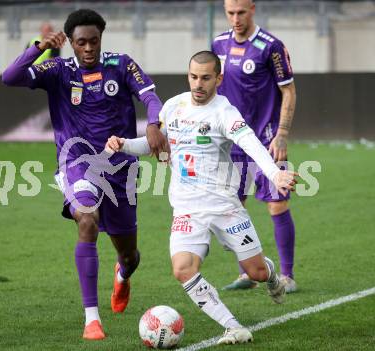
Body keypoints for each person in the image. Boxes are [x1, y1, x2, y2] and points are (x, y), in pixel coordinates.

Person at [105, 51, 297, 344]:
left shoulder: (225, 112)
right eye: (194, 77)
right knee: (182, 269)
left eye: (206, 78)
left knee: (255, 271)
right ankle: (233, 326)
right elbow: (154, 144)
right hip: (187, 208)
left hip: (224, 207)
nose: (198, 84)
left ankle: (271, 276)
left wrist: (275, 174)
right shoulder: (173, 107)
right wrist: (124, 145)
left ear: (218, 79)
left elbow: (251, 144)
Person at [2, 9, 167, 340]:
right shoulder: (58, 70)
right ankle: (92, 319)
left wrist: (153, 124)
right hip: (76, 162)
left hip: (120, 169)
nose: (88, 48)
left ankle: (122, 275)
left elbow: (150, 96)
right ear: (71, 43)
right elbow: (10, 76)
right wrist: (39, 47)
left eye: (93, 41)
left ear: (100, 38)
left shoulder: (120, 65)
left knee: (129, 255)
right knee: (87, 220)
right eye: (81, 42)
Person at [212, 0, 297, 292]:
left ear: (253, 9)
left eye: (241, 12)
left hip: (266, 140)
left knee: (277, 204)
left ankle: (286, 275)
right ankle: (246, 273)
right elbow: (214, 89)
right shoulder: (218, 44)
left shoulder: (270, 46)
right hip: (231, 142)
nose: (235, 18)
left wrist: (282, 133)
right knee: (233, 208)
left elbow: (288, 90)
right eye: (230, 13)